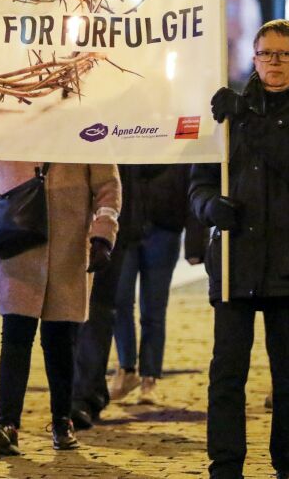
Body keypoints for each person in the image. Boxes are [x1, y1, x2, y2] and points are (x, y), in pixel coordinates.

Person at [189, 19, 289, 479]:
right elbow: (198, 183)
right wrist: (211, 207)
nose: (274, 63)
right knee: (227, 373)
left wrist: (248, 118)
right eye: (265, 54)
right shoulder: (227, 112)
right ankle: (226, 464)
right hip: (237, 260)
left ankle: (288, 464)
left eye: (284, 54)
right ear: (254, 58)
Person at [0, 162, 120, 456]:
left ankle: (61, 421)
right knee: (15, 336)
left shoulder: (85, 125)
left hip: (68, 249)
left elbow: (108, 188)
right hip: (19, 241)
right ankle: (7, 424)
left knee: (60, 342)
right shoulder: (10, 119)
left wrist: (103, 234)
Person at [109, 164, 204, 405]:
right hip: (126, 226)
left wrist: (194, 243)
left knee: (153, 309)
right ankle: (127, 368)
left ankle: (149, 378)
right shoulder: (125, 133)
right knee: (120, 301)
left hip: (165, 229)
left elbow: (192, 184)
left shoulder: (175, 139)